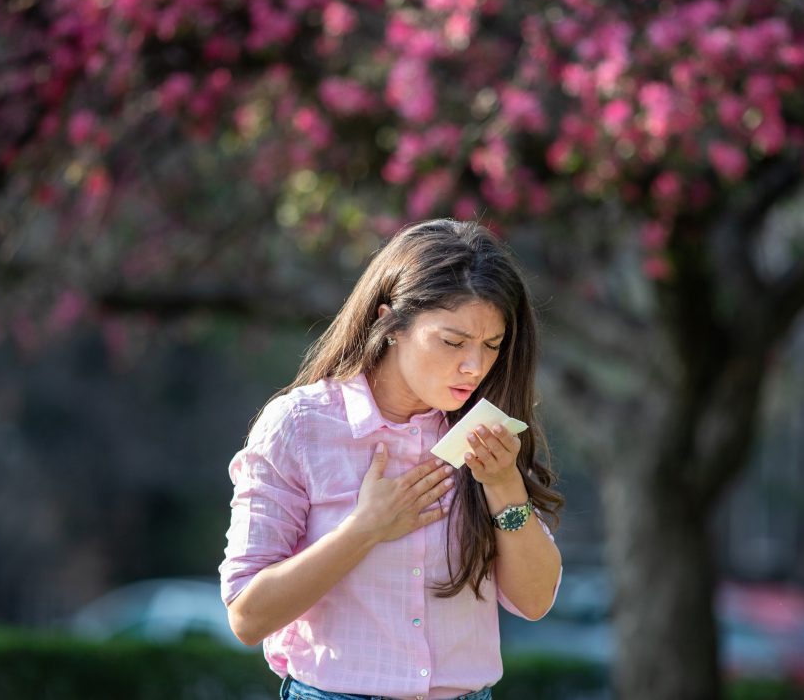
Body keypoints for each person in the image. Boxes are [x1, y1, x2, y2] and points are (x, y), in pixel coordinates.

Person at [219, 218, 564, 700]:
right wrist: (365, 529)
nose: (474, 366)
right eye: (452, 341)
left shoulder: (485, 428)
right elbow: (247, 616)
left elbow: (534, 600)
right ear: (390, 322)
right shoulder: (299, 425)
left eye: (491, 345)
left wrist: (504, 483)